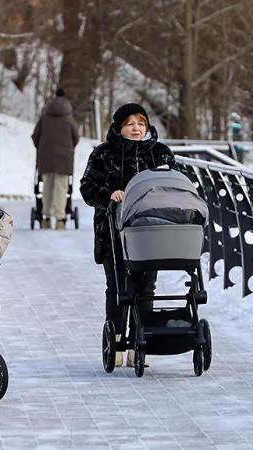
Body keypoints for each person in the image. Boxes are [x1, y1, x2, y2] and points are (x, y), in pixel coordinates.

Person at [80, 102, 178, 367]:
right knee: (117, 287)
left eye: (141, 123)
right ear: (119, 127)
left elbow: (176, 183)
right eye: (130, 124)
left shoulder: (160, 153)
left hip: (149, 232)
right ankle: (117, 338)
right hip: (111, 231)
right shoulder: (103, 154)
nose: (136, 129)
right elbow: (87, 188)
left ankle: (140, 340)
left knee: (146, 287)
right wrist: (108, 195)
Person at [31, 87, 80, 230]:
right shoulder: (69, 118)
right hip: (64, 159)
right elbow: (76, 138)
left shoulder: (44, 117)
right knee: (61, 188)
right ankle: (60, 219)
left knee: (47, 187)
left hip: (45, 158)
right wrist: (68, 148)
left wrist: (42, 148)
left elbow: (35, 137)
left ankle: (45, 217)